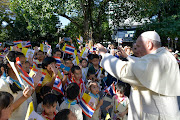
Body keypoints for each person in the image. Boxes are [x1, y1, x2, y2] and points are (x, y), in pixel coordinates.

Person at [96, 31, 180, 120]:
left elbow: (125, 71)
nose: (136, 50)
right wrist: (128, 57)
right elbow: (141, 64)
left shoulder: (156, 60)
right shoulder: (164, 56)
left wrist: (105, 55)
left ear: (149, 45)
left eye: (139, 46)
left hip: (156, 114)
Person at [0, 51, 40, 120]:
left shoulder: (23, 79)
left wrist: (34, 85)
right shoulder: (3, 84)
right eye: (21, 63)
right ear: (9, 65)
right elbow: (5, 111)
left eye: (24, 62)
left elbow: (28, 96)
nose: (24, 66)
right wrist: (24, 97)